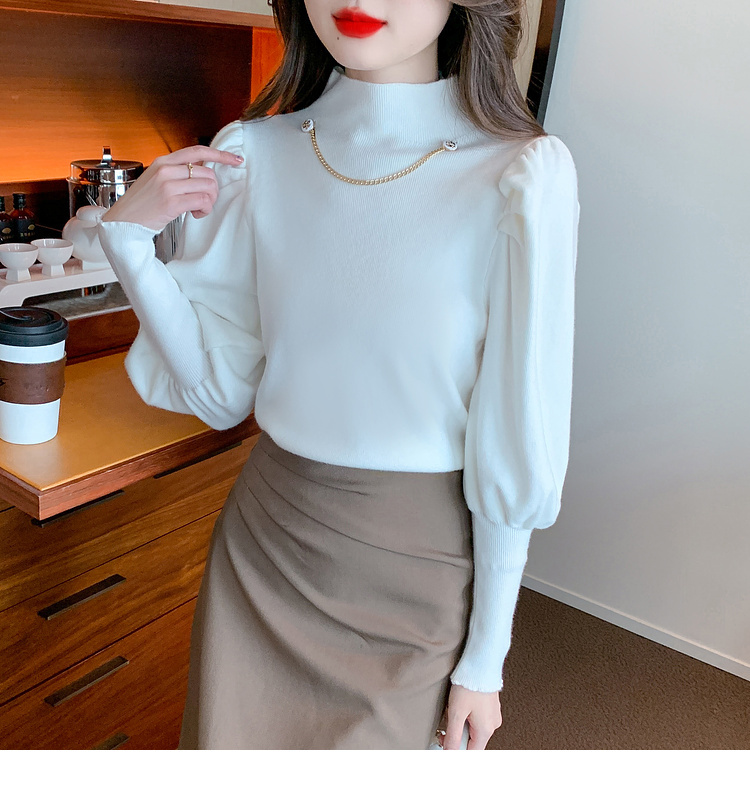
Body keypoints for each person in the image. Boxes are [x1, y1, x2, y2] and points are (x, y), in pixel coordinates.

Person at [96, 0, 580, 750]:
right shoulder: (255, 154)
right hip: (266, 550)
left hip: (415, 571)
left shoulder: (518, 174)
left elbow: (517, 435)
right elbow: (218, 393)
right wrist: (127, 242)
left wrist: (486, 659)